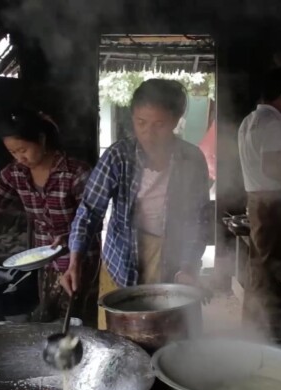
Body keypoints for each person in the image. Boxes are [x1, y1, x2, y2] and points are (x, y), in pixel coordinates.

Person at [61, 79, 211, 330]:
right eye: (141, 123)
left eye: (159, 125)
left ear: (176, 120)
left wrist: (187, 266)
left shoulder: (191, 159)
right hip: (123, 258)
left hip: (171, 259)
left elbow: (198, 219)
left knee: (167, 333)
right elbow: (89, 211)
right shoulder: (118, 155)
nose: (148, 134)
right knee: (121, 335)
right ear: (132, 118)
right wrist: (74, 261)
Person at [0, 109, 101, 325]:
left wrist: (69, 236)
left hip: (79, 258)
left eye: (23, 149)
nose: (20, 158)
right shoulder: (15, 174)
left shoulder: (76, 172)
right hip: (44, 258)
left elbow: (92, 219)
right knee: (49, 317)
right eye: (13, 152)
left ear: (42, 140)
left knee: (76, 319)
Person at [237, 67, 281, 339]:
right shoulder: (274, 122)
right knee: (276, 267)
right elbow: (273, 167)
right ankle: (271, 330)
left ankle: (255, 325)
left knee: (260, 264)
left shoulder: (248, 120)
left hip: (256, 201)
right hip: (274, 204)